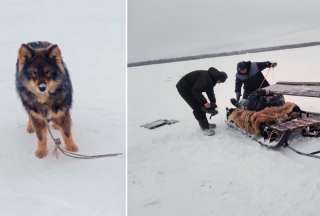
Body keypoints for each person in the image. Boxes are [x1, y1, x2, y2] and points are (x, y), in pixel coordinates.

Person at [176, 67, 228, 136]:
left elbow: (210, 91)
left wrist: (213, 102)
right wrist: (205, 102)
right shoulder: (206, 78)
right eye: (220, 82)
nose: (219, 83)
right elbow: (196, 91)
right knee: (197, 107)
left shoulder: (211, 78)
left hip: (192, 88)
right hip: (184, 88)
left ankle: (206, 124)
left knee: (201, 105)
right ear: (219, 79)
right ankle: (205, 128)